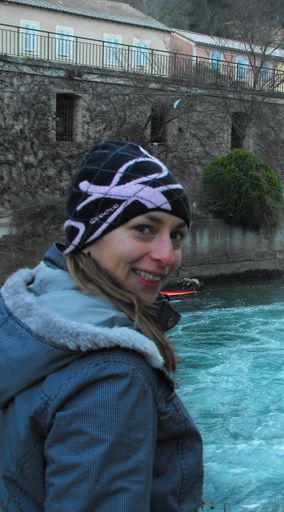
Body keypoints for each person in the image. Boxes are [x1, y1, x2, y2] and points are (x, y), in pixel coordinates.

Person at [0, 140, 203, 510]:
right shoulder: (112, 373)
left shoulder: (24, 318)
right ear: (87, 235)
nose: (166, 255)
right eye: (144, 229)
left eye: (176, 235)